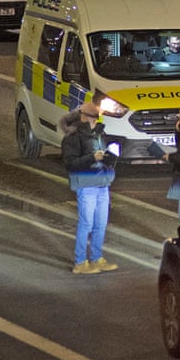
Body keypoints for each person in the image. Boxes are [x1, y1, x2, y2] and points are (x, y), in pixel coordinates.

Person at [61, 101, 118, 275]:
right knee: (86, 223)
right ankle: (80, 262)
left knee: (100, 223)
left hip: (102, 183)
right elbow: (70, 163)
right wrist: (93, 157)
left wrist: (111, 156)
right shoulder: (73, 137)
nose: (95, 121)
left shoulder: (100, 133)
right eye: (93, 118)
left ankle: (96, 257)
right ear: (83, 117)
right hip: (86, 185)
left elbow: (103, 157)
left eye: (97, 118)